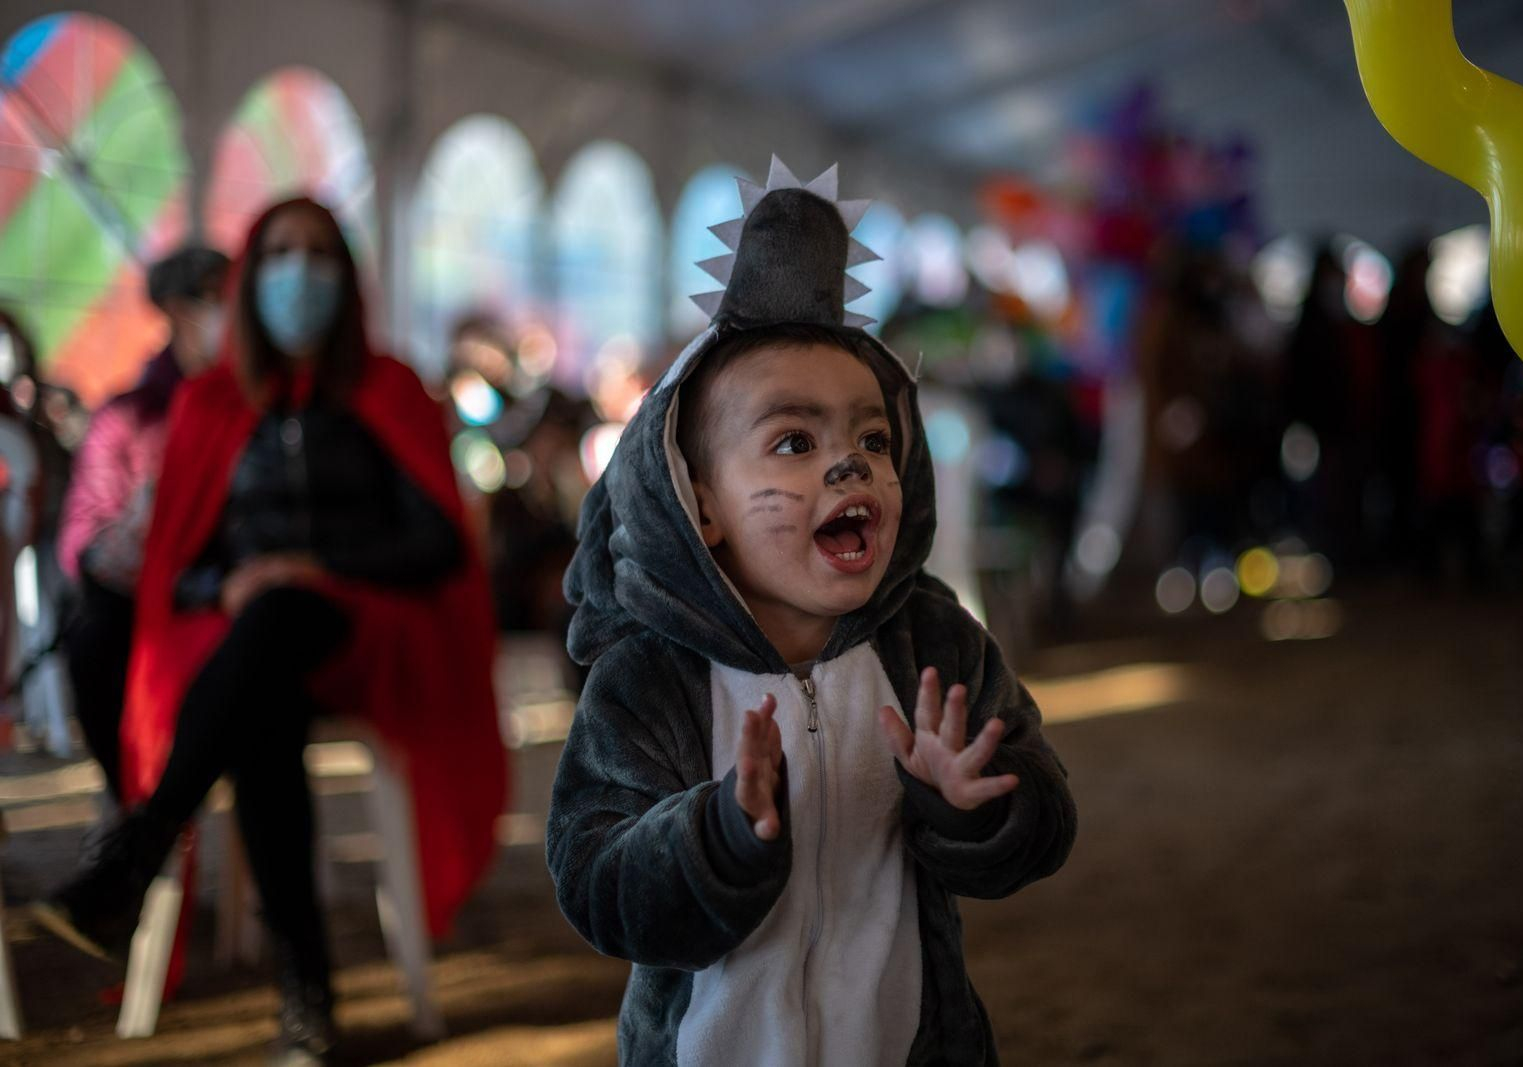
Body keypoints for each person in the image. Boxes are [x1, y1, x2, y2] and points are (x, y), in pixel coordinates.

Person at [547, 160, 1076, 1065]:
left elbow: (1048, 820)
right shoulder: (649, 678)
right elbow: (594, 880)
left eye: (872, 437)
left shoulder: (934, 645)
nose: (850, 466)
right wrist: (710, 834)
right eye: (793, 441)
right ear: (696, 501)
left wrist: (975, 804)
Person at [33, 198, 506, 1064]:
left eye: (320, 253)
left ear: (348, 275)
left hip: (371, 624)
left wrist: (315, 565)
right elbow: (179, 559)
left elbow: (435, 539)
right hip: (248, 636)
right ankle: (307, 995)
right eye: (282, 252)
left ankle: (133, 856)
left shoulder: (389, 388)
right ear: (252, 275)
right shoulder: (212, 403)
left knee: (278, 623)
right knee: (265, 706)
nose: (301, 272)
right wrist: (231, 579)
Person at [57, 246, 230, 799]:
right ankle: (138, 803)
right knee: (92, 644)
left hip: (236, 592)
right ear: (179, 309)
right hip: (154, 598)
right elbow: (82, 537)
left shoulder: (265, 405)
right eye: (219, 298)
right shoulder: (129, 417)